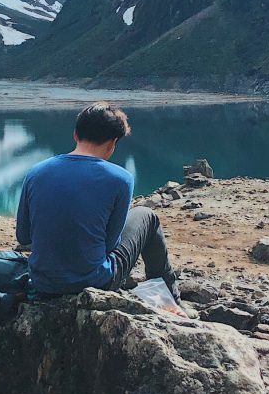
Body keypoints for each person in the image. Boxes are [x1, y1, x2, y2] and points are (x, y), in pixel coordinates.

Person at [15, 102, 178, 301]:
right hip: (95, 282)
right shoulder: (120, 179)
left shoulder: (36, 172)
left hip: (43, 282)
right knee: (147, 216)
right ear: (113, 142)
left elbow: (23, 237)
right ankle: (169, 298)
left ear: (75, 134)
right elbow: (110, 245)